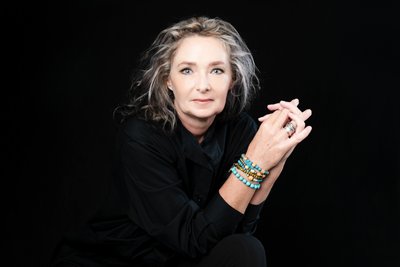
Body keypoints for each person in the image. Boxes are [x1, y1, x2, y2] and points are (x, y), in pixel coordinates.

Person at [51, 16, 312, 267]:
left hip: (182, 259)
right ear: (168, 80)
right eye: (187, 70)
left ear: (232, 80)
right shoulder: (141, 136)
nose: (203, 85)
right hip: (116, 260)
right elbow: (194, 239)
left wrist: (275, 161)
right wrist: (255, 160)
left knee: (246, 249)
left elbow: (241, 229)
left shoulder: (240, 130)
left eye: (217, 70)